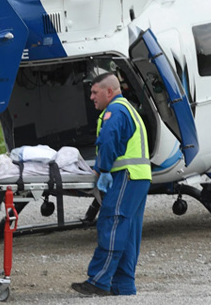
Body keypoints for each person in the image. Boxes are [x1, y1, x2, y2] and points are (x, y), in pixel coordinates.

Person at [72, 73, 151, 296]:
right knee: (128, 230)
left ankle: (99, 281)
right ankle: (123, 285)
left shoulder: (114, 111)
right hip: (138, 176)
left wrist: (102, 169)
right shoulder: (128, 109)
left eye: (95, 92)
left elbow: (108, 140)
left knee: (112, 222)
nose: (91, 97)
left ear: (109, 92)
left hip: (125, 175)